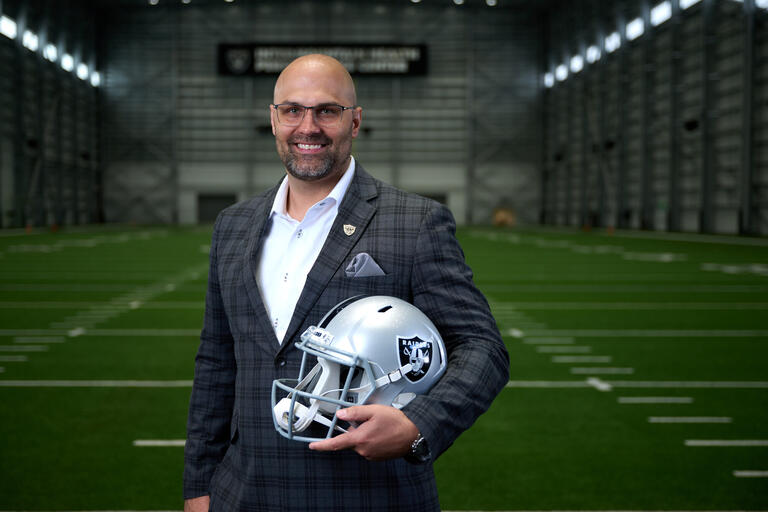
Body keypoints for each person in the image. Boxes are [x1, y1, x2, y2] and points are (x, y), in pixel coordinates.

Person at [183, 54, 509, 511]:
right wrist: (198, 484)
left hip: (369, 494)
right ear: (272, 120)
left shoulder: (415, 221)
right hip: (245, 491)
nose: (308, 127)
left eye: (327, 111)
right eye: (293, 110)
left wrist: (418, 424)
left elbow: (481, 346)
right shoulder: (233, 225)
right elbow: (217, 362)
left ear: (355, 122)